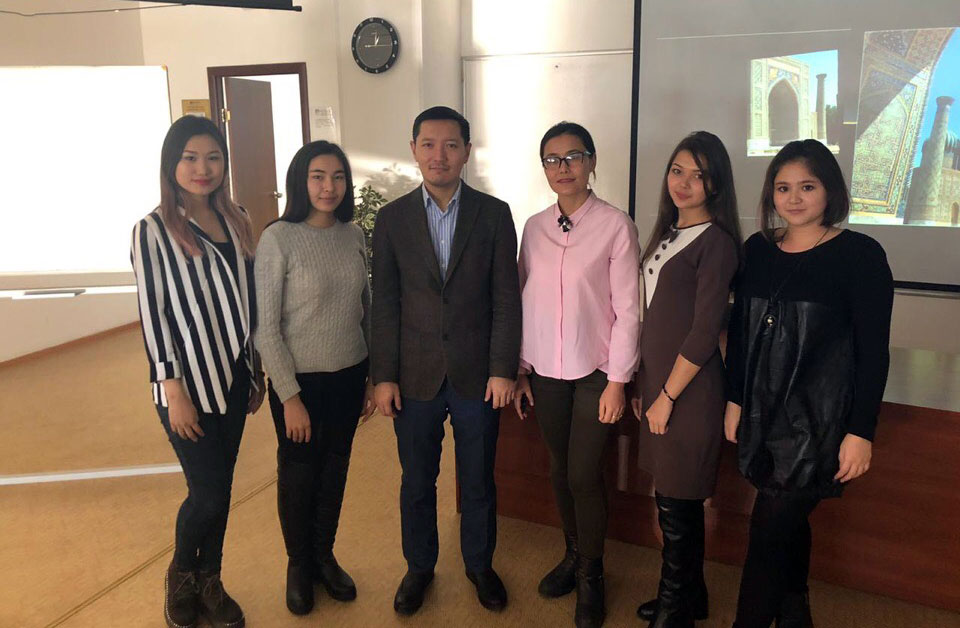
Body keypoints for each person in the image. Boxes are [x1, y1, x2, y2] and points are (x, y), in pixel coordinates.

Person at [725, 139, 893, 628]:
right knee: (787, 518)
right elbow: (741, 333)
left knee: (768, 528)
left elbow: (873, 352)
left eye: (807, 186)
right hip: (762, 412)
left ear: (830, 191)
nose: (793, 198)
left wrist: (861, 431)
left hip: (819, 422)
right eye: (783, 188)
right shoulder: (757, 250)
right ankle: (794, 608)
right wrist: (735, 399)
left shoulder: (861, 255)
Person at [370, 106, 522, 616]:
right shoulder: (391, 220)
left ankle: (480, 565)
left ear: (467, 152)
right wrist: (383, 377)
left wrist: (502, 368)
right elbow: (385, 303)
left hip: (478, 375)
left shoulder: (494, 214)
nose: (440, 155)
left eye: (451, 144)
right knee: (417, 480)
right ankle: (419, 567)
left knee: (478, 478)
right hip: (413, 376)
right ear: (414, 149)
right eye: (429, 144)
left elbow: (506, 299)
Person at [131, 115, 264, 628]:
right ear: (172, 164)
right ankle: (181, 575)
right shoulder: (152, 231)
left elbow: (247, 301)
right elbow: (154, 315)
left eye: (212, 157)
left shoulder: (238, 218)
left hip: (234, 377)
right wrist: (173, 389)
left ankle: (211, 580)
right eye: (189, 157)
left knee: (221, 489)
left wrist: (255, 371)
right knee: (206, 493)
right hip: (187, 385)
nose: (202, 168)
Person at [513, 121, 640, 628]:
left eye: (573, 156)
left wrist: (618, 380)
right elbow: (525, 300)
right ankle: (571, 553)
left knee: (584, 473)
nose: (562, 167)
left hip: (596, 372)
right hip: (545, 371)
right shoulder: (534, 228)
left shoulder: (615, 225)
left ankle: (592, 574)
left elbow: (628, 309)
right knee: (558, 469)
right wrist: (521, 369)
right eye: (552, 159)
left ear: (591, 161)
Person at [254, 141, 374, 616]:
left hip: (349, 375)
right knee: (299, 474)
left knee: (335, 470)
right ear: (300, 182)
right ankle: (299, 565)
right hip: (299, 383)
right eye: (318, 176)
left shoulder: (353, 234)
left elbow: (365, 309)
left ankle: (324, 555)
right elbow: (266, 328)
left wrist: (370, 377)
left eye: (338, 177)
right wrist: (289, 397)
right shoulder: (278, 238)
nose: (329, 186)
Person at [631, 131, 742, 628]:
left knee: (679, 502)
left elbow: (703, 331)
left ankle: (676, 609)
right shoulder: (667, 234)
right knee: (672, 499)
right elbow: (652, 319)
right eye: (678, 171)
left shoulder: (716, 243)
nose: (684, 182)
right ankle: (687, 596)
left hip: (688, 393)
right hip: (659, 387)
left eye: (699, 175)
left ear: (716, 185)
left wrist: (667, 396)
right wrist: (645, 388)